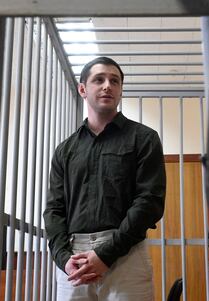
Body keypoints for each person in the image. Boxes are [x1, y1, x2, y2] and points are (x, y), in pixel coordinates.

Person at [43, 56, 166, 301]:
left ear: (120, 91)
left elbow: (149, 201)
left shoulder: (144, 138)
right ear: (82, 89)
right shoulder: (64, 150)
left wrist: (105, 254)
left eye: (115, 81)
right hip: (74, 258)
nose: (107, 85)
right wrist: (63, 258)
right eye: (98, 80)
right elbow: (54, 210)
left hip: (126, 253)